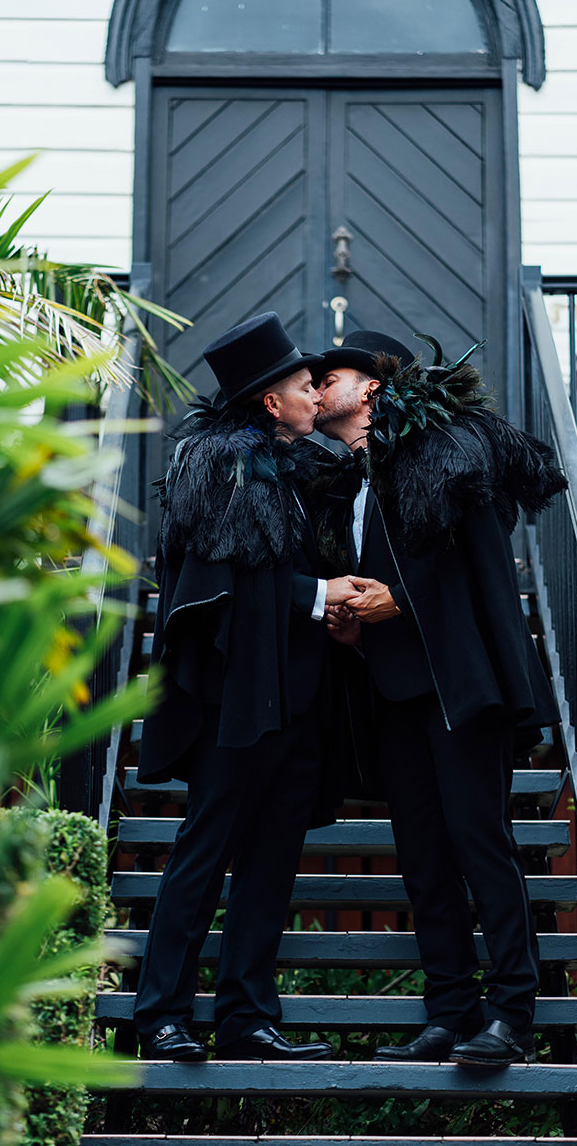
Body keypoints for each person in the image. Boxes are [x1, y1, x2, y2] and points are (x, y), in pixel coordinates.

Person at [311, 329, 566, 1069]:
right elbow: (372, 585)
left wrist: (403, 602)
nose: (319, 386)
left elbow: (469, 567)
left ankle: (512, 1013)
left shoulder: (444, 456)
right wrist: (351, 621)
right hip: (392, 693)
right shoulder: (348, 484)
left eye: (334, 375)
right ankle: (449, 1012)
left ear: (374, 388)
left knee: (478, 842)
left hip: (460, 686)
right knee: (422, 859)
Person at [133, 312, 357, 1062]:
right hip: (236, 700)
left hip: (296, 697)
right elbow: (240, 578)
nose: (314, 396)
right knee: (205, 852)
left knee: (271, 859)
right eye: (303, 386)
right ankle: (162, 1015)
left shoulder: (297, 470)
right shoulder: (226, 466)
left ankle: (245, 1017)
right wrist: (323, 596)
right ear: (270, 402)